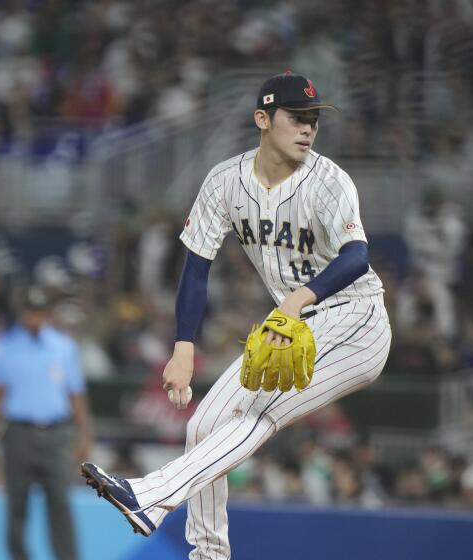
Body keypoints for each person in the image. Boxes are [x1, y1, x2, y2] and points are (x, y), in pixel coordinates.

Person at [82, 72, 392, 559]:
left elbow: (356, 257)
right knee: (203, 426)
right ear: (263, 119)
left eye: (314, 120)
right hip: (298, 325)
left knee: (260, 412)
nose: (308, 128)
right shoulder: (226, 181)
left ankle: (151, 494)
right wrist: (184, 346)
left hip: (357, 322)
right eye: (297, 118)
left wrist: (296, 300)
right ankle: (209, 554)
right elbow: (196, 266)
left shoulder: (330, 181)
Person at [0, 286, 93, 560]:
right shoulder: (4, 347)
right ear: (22, 313)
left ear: (48, 313)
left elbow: (76, 394)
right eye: (31, 312)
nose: (35, 319)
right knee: (16, 506)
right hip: (17, 433)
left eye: (40, 313)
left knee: (60, 504)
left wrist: (85, 435)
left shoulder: (64, 347)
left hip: (55, 434)